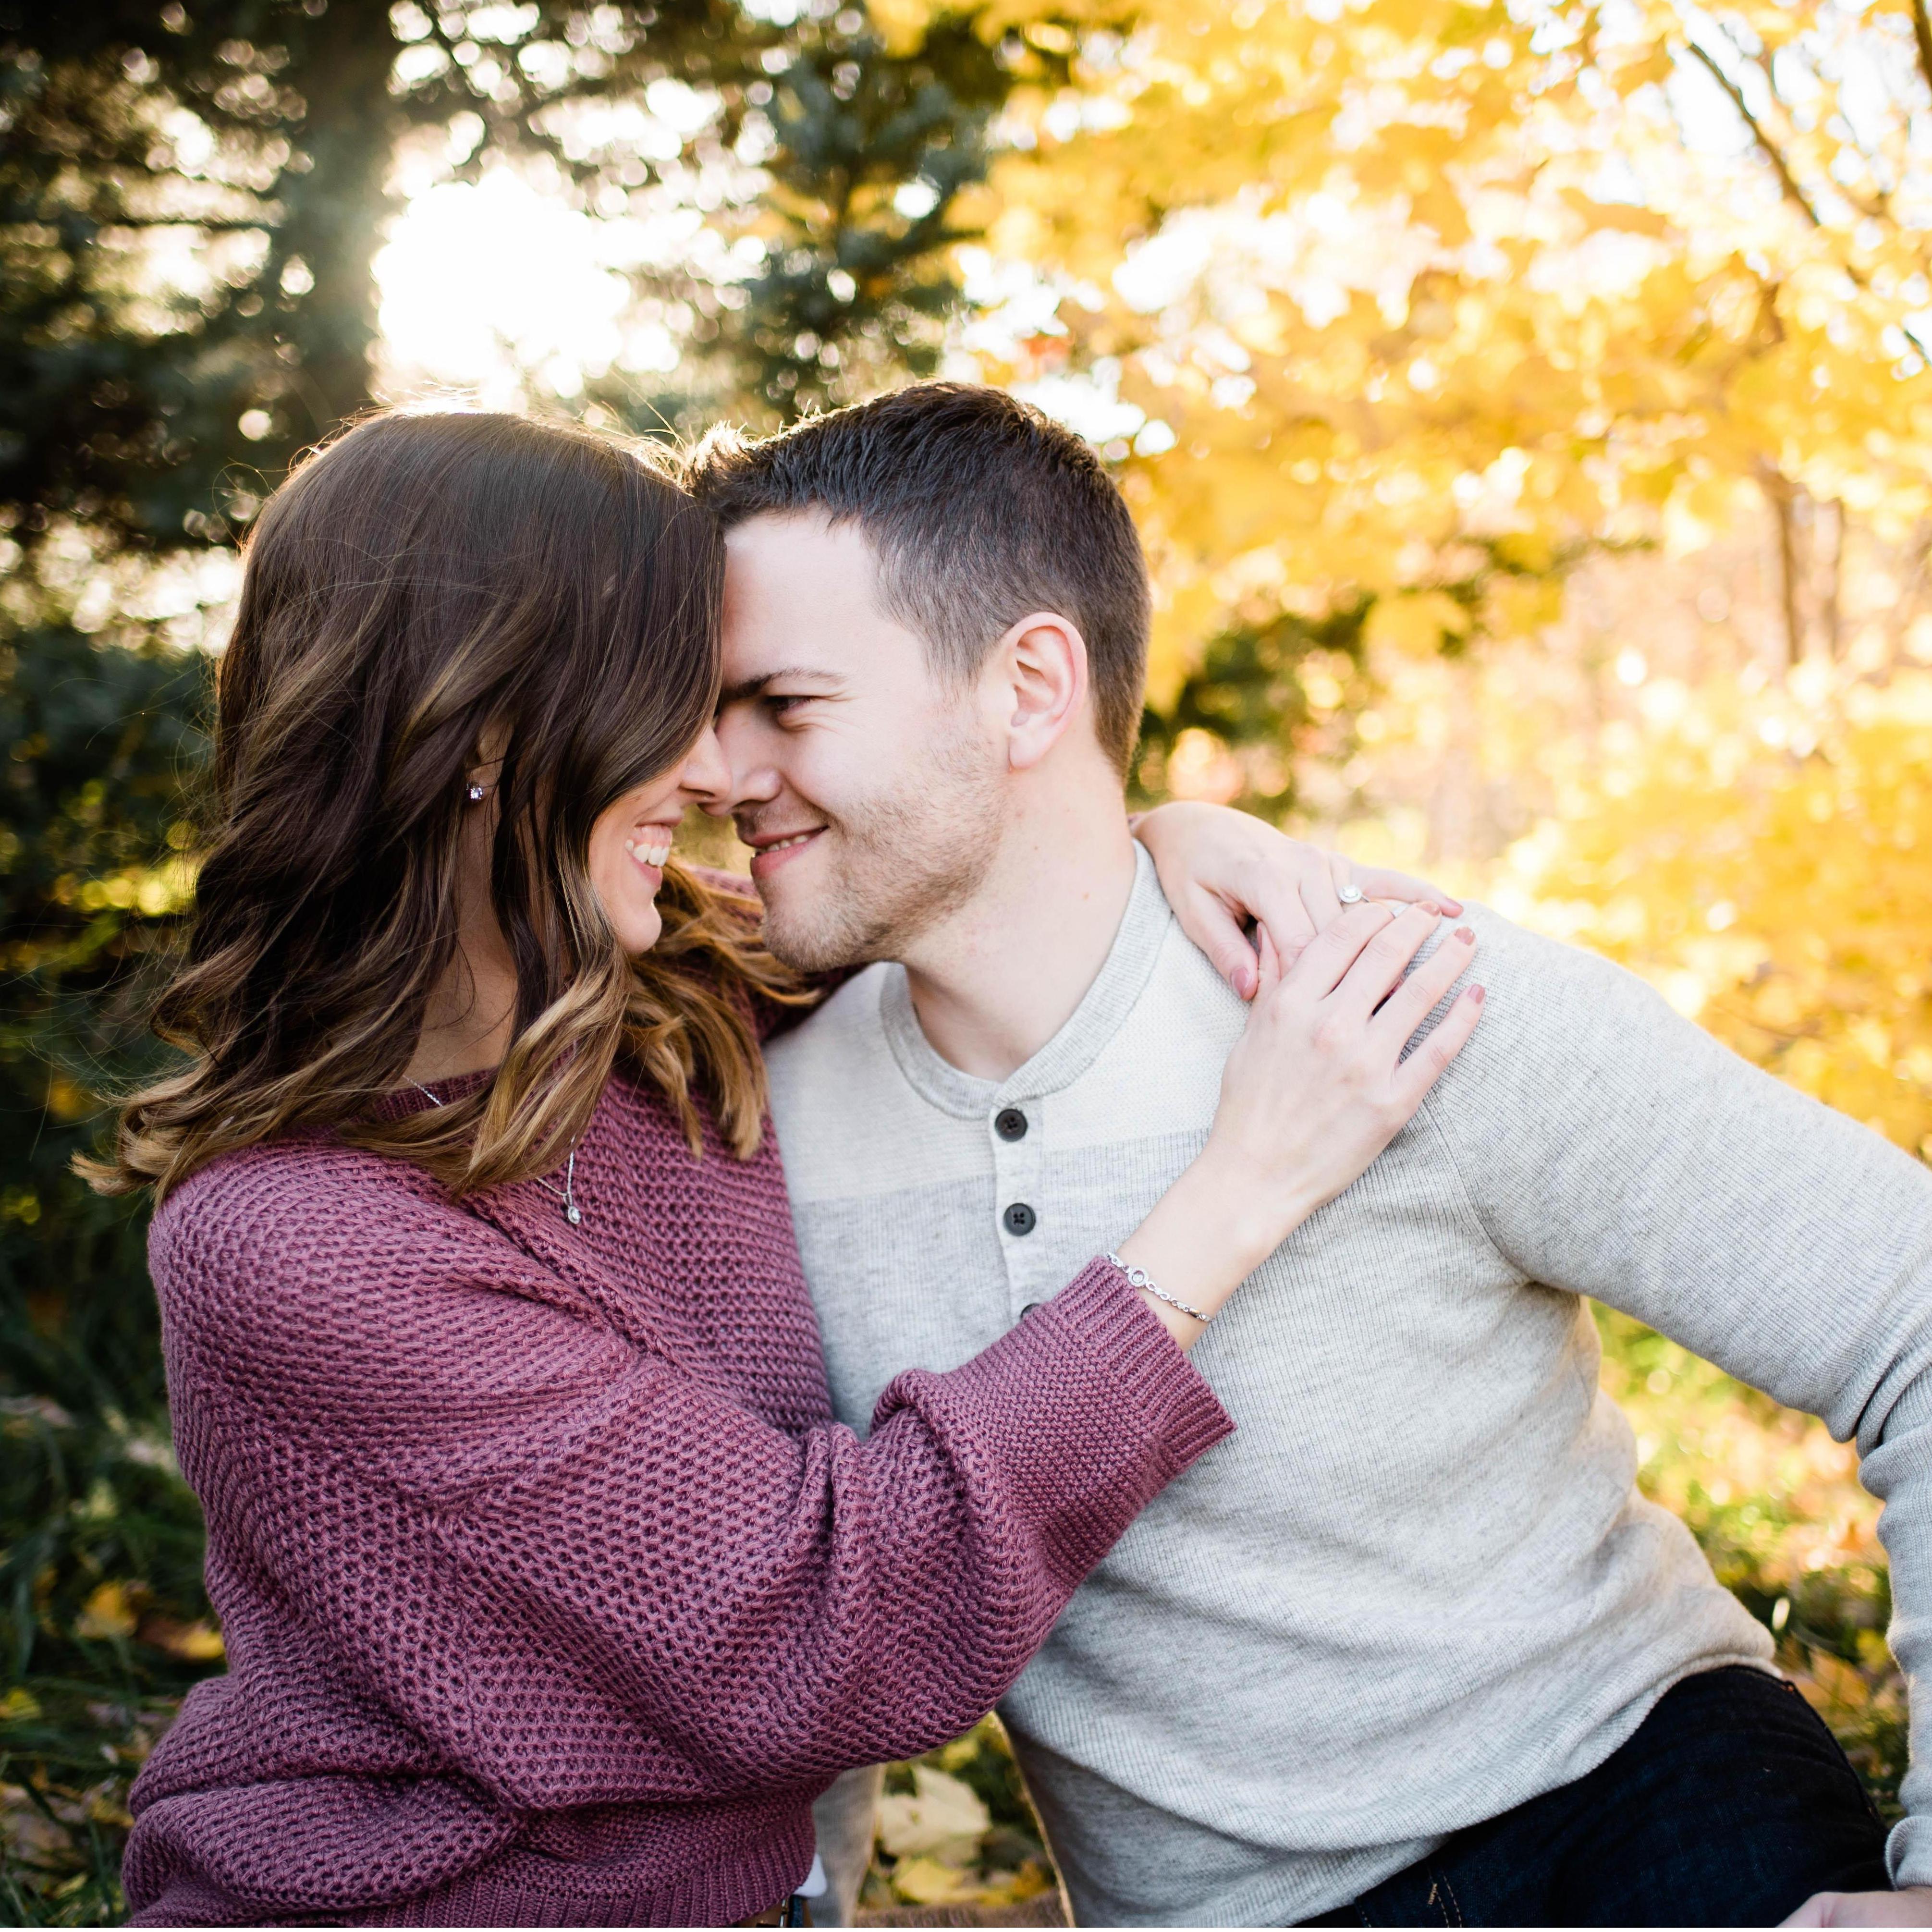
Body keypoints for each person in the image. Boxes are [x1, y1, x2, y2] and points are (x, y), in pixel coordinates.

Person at [89, 407, 1480, 1927]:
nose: (713, 770)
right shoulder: (299, 1239)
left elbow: (962, 867)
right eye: (668, 701)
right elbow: (826, 1619)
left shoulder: (670, 1000)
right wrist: (1243, 1189)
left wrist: (1155, 833)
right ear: (484, 732)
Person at [691, 381, 1932, 1930]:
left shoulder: (1384, 992)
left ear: (1028, 688)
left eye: (787, 707)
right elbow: (820, 1610)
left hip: (1643, 1816)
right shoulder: (761, 1139)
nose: (724, 775)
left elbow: (1912, 1308)